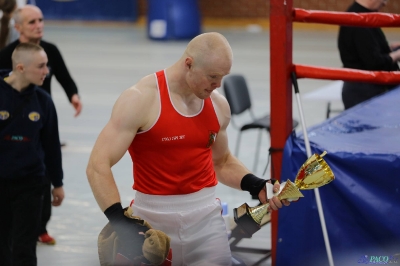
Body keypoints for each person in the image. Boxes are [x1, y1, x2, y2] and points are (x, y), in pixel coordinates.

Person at [86, 32, 289, 265]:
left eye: (223, 77)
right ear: (189, 64)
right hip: (152, 225)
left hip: (206, 225)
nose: (218, 85)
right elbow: (97, 165)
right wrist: (120, 222)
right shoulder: (140, 99)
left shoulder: (218, 104)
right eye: (213, 76)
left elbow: (222, 162)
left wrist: (256, 184)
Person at [0, 4, 81, 244]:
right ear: (18, 27)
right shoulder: (7, 55)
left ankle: (40, 226)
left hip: (40, 118)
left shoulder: (50, 51)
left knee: (42, 173)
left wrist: (73, 95)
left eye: (41, 20)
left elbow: (64, 75)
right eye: (32, 22)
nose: (39, 26)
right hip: (12, 122)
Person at [0, 42, 64, 266]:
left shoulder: (43, 102)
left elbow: (51, 146)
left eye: (46, 65)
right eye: (41, 66)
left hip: (30, 184)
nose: (47, 71)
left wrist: (57, 183)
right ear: (20, 68)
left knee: (25, 248)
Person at [338, 0, 400, 110]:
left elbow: (370, 51)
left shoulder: (364, 15)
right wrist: (397, 55)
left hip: (365, 89)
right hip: (365, 91)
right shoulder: (359, 20)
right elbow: (375, 62)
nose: (385, 3)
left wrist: (392, 49)